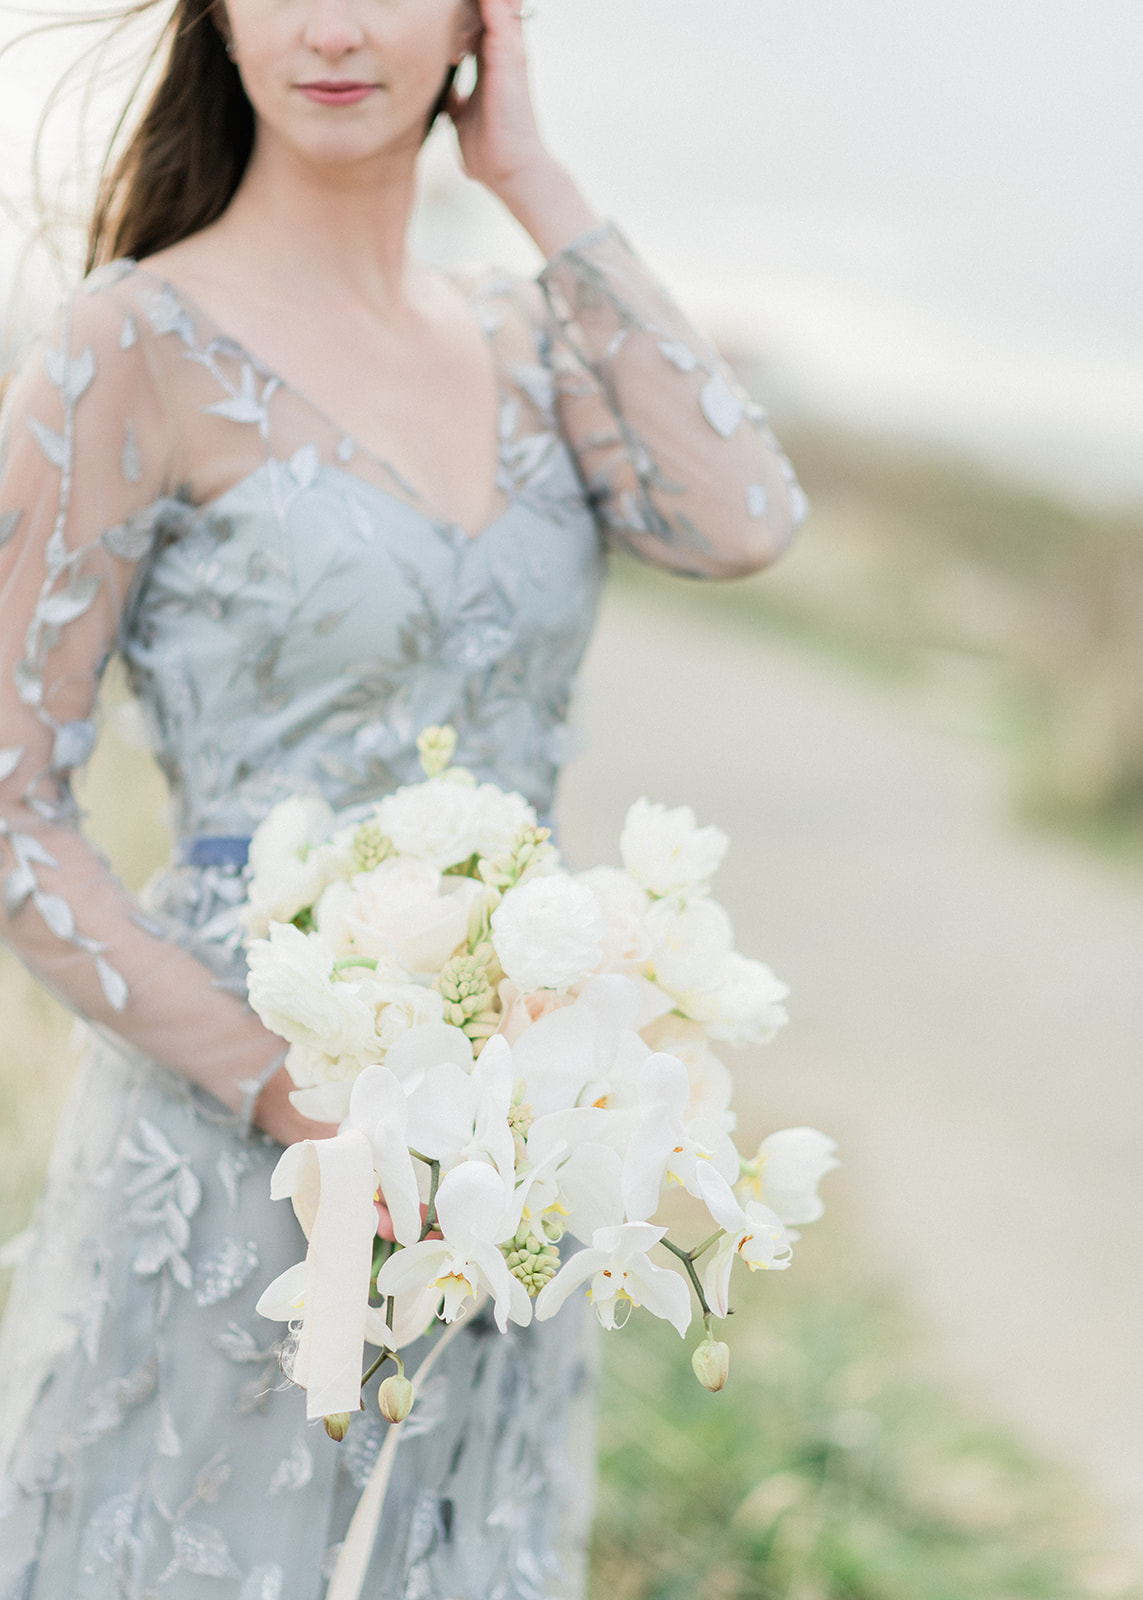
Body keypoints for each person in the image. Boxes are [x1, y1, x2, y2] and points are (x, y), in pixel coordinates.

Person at [0, 0, 806, 1591]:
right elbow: (12, 805)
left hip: (512, 1148)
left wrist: (532, 173)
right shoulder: (129, 346)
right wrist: (292, 1093)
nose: (336, 25)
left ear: (477, 16)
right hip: (241, 1146)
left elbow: (745, 518)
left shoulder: (528, 335)